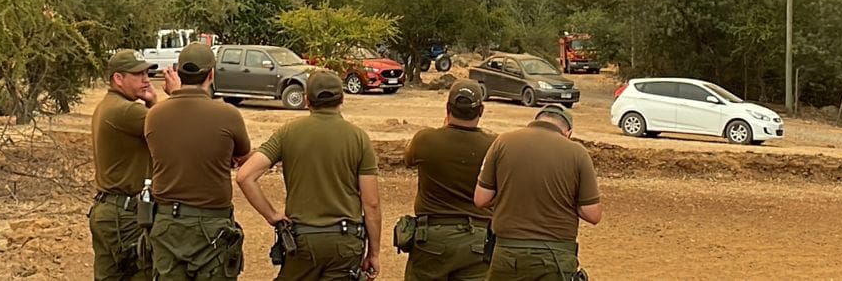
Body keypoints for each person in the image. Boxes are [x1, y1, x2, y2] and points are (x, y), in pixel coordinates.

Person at [236, 71, 383, 280]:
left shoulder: (288, 132)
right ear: (342, 98)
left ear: (306, 99)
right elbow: (372, 204)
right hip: (346, 241)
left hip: (303, 240)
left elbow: (245, 176)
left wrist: (271, 215)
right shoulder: (359, 138)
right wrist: (374, 253)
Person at [144, 42, 252, 281]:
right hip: (212, 225)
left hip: (168, 223)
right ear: (211, 74)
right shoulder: (227, 115)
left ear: (177, 72)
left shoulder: (155, 115)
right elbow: (244, 156)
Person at [472, 105, 601, 281]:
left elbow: (481, 199)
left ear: (534, 122)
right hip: (555, 257)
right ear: (568, 132)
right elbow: (592, 214)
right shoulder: (577, 153)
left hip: (508, 254)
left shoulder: (503, 142)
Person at [400, 80, 495, 281]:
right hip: (478, 240)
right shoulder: (495, 146)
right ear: (481, 110)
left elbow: (408, 159)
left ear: (447, 108)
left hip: (433, 236)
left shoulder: (425, 139)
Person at [90, 49, 160, 281]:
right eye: (138, 74)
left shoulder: (108, 105)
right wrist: (163, 99)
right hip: (125, 214)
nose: (146, 80)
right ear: (118, 79)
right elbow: (170, 129)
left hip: (107, 210)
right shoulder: (126, 110)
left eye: (146, 73)